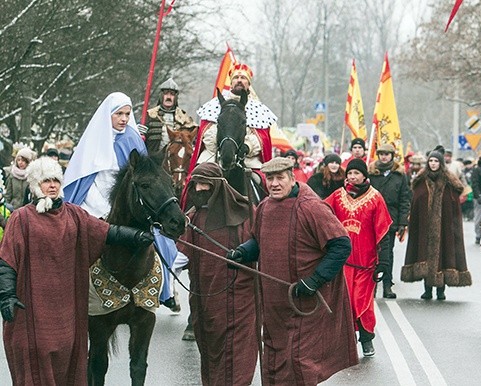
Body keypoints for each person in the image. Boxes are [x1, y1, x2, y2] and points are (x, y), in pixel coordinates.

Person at [0, 157, 154, 385]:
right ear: (35, 185)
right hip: (32, 310)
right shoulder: (21, 219)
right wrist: (7, 295)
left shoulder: (74, 215)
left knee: (67, 363)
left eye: (55, 180)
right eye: (46, 181)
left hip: (66, 313)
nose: (52, 185)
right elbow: (7, 261)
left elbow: (106, 232)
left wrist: (136, 236)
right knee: (36, 362)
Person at [227, 157, 357, 385]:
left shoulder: (312, 207)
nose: (274, 184)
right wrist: (242, 252)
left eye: (280, 178)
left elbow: (341, 245)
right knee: (275, 359)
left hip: (304, 302)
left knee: (300, 363)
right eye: (270, 179)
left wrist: (314, 280)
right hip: (274, 304)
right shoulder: (265, 207)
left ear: (291, 178)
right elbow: (259, 241)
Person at [62, 92, 180, 310]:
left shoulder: (132, 138)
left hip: (126, 198)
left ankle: (164, 289)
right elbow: (85, 176)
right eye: (119, 114)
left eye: (127, 114)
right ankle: (69, 290)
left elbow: (145, 175)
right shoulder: (94, 138)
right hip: (93, 197)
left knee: (161, 241)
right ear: (108, 115)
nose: (124, 119)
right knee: (71, 237)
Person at [178, 162, 257, 386]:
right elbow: (181, 256)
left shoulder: (244, 212)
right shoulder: (192, 217)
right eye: (196, 184)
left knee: (238, 354)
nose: (200, 189)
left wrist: (245, 251)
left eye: (205, 184)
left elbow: (261, 243)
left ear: (217, 185)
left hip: (239, 297)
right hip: (204, 297)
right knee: (210, 349)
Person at [325, 159, 392, 356]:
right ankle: (346, 341)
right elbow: (321, 213)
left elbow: (383, 232)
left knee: (361, 303)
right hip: (342, 262)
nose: (352, 177)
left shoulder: (375, 198)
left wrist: (384, 262)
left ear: (364, 176)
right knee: (343, 303)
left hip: (366, 265)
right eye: (350, 173)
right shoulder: (338, 196)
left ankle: (366, 339)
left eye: (356, 173)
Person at [401, 146, 472, 300]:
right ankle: (427, 289)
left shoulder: (449, 182)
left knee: (444, 254)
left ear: (441, 163)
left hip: (444, 227)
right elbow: (416, 202)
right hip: (424, 227)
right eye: (431, 161)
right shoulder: (420, 182)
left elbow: (453, 205)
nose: (433, 164)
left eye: (436, 161)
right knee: (424, 254)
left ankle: (441, 290)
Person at [192, 63, 276, 171]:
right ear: (231, 82)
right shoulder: (214, 104)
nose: (239, 80)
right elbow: (207, 133)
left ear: (249, 83)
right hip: (213, 157)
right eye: (236, 77)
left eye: (243, 78)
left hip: (249, 160)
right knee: (197, 177)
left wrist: (248, 146)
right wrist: (224, 146)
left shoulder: (259, 109)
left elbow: (262, 139)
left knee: (260, 181)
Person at [367, 144, 411, 299]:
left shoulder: (399, 175)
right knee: (371, 253)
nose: (384, 157)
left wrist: (402, 223)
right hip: (372, 218)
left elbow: (404, 199)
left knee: (387, 254)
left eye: (387, 154)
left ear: (392, 155)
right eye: (381, 154)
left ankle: (387, 284)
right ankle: (371, 286)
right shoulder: (371, 173)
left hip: (390, 219)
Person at [140, 77, 197, 153]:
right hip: (152, 157)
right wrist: (138, 133)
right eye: (166, 93)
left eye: (172, 94)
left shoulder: (184, 118)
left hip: (174, 160)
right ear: (161, 96)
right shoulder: (150, 115)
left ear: (176, 97)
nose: (169, 97)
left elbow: (194, 138)